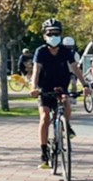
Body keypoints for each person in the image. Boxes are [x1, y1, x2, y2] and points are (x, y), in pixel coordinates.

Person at [29, 19, 83, 167]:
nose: (53, 36)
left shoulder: (66, 51)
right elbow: (36, 70)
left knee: (66, 101)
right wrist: (34, 87)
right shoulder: (41, 52)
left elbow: (75, 68)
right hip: (45, 89)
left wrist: (85, 85)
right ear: (44, 36)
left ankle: (66, 126)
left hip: (61, 86)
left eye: (56, 33)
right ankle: (44, 152)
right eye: (50, 33)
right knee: (45, 117)